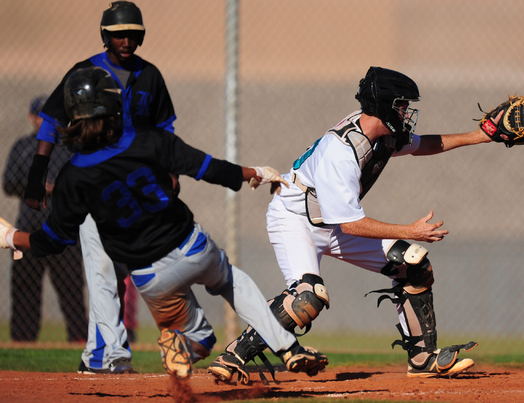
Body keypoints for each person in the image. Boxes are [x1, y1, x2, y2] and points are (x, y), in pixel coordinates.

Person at [0, 66, 328, 381]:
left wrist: (12, 237)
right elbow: (209, 169)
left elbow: (51, 240)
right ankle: (288, 347)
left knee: (201, 337)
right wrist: (254, 172)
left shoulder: (72, 177)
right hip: (191, 246)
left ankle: (181, 344)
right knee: (231, 281)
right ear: (115, 107)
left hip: (149, 278)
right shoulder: (148, 140)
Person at [208, 66, 509, 381]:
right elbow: (352, 226)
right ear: (384, 106)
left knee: (413, 264)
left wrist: (482, 135)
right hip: (295, 219)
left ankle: (423, 358)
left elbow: (425, 145)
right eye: (402, 105)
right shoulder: (342, 152)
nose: (406, 113)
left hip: (331, 220)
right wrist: (409, 231)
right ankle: (234, 356)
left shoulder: (381, 133)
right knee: (308, 298)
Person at [23, 1, 175, 373]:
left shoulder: (149, 76)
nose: (125, 39)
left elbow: (164, 129)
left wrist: (170, 171)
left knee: (119, 272)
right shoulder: (85, 71)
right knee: (104, 269)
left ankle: (94, 355)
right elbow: (50, 121)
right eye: (118, 34)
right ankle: (113, 355)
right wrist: (36, 174)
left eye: (132, 34)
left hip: (132, 190)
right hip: (93, 182)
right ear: (105, 36)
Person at [2, 95, 88, 343]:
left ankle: (80, 341)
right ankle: (23, 342)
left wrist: (58, 187)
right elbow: (8, 183)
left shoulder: (70, 147)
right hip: (29, 228)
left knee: (72, 290)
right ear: (31, 118)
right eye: (40, 115)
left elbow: (83, 181)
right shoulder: (22, 147)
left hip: (64, 230)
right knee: (25, 289)